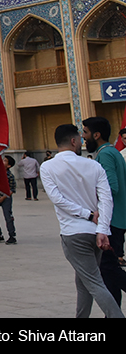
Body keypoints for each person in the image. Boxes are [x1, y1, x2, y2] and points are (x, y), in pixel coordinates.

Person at [39, 123, 124, 318]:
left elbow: (58, 200)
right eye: (80, 139)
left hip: (73, 233)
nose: (82, 142)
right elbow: (106, 199)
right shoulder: (93, 164)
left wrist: (86, 214)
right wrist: (102, 229)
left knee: (93, 282)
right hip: (94, 232)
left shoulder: (48, 167)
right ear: (73, 141)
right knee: (84, 281)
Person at [82, 116, 126, 306]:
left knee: (108, 268)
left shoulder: (106, 154)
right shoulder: (112, 152)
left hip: (112, 220)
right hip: (117, 219)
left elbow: (111, 187)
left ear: (96, 134)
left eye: (85, 132)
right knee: (109, 271)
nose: (83, 137)